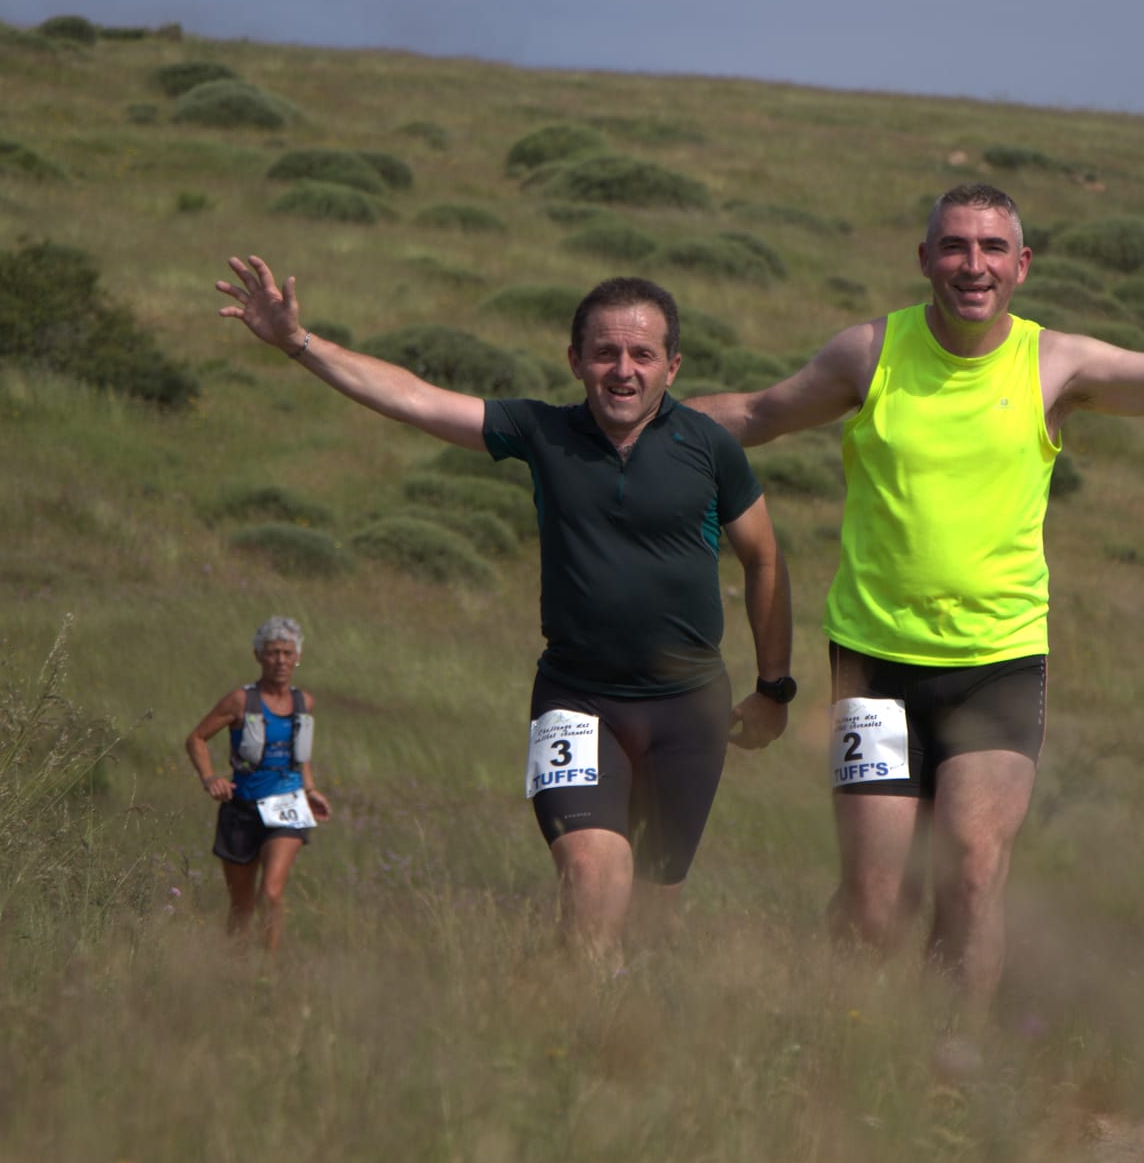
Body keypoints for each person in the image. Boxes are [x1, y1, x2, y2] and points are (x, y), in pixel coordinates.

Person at [687, 182, 1144, 1014]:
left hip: (999, 664)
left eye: (992, 248)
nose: (973, 265)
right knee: (874, 909)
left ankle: (949, 1083)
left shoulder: (1057, 364)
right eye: (955, 246)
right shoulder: (869, 353)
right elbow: (756, 411)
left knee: (972, 869)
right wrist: (616, 419)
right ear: (925, 259)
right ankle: (825, 1046)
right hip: (876, 665)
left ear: (1022, 265)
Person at [213, 259, 793, 968]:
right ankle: (567, 1034)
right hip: (578, 701)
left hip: (689, 711)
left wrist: (774, 687)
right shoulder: (540, 432)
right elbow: (414, 399)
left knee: (647, 921)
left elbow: (764, 559)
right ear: (574, 359)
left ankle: (610, 1052)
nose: (623, 369)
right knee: (590, 881)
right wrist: (300, 342)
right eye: (605, 352)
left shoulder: (710, 447)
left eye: (642, 354)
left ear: (672, 365)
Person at [185, 615, 332, 953]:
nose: (280, 660)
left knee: (272, 892)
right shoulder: (241, 700)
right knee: (241, 905)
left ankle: (268, 973)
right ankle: (236, 969)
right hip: (242, 807)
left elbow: (300, 753)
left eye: (287, 652)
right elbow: (196, 738)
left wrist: (309, 790)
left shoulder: (303, 702)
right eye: (272, 652)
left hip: (287, 805)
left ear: (298, 656)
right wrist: (210, 779)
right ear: (258, 656)